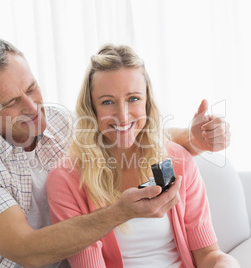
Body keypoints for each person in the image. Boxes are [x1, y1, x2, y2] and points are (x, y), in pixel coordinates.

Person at [0, 38, 231, 268]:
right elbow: (27, 252)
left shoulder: (59, 121)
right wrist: (122, 211)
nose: (32, 107)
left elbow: (122, 130)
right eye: (13, 101)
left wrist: (192, 140)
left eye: (32, 87)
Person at [46, 44, 239, 267]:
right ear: (91, 108)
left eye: (133, 98)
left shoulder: (175, 162)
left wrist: (225, 264)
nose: (123, 115)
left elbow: (207, 254)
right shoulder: (67, 178)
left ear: (147, 102)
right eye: (107, 101)